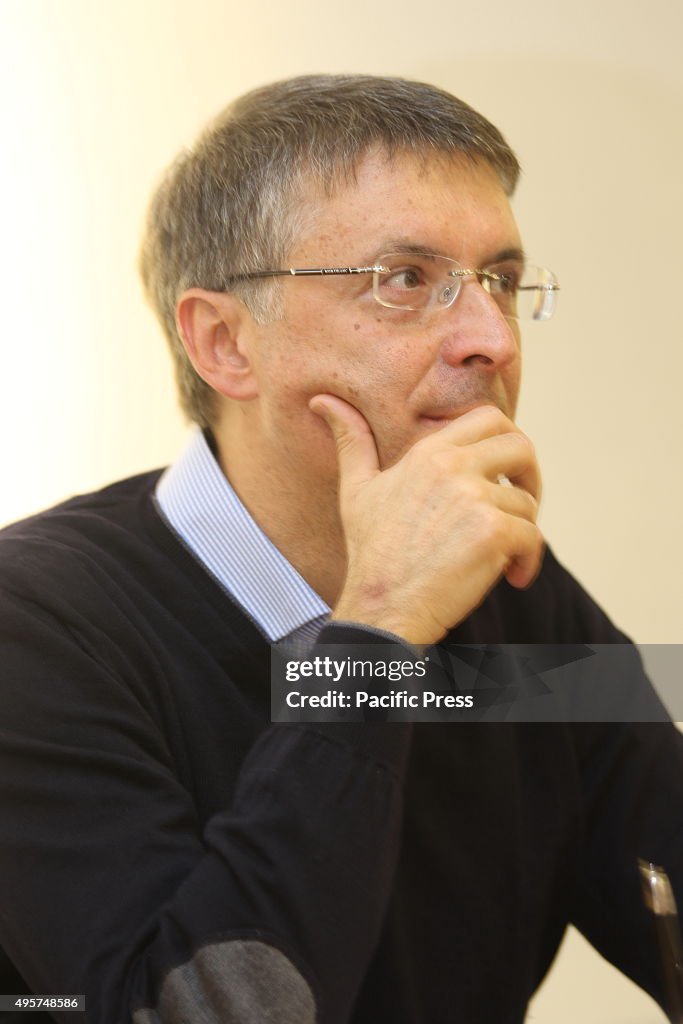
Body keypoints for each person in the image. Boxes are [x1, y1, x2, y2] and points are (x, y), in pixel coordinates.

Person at [0, 74, 680, 1024]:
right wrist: (379, 635)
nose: (490, 337)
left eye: (499, 281)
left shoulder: (517, 599)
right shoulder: (32, 626)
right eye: (407, 280)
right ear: (225, 342)